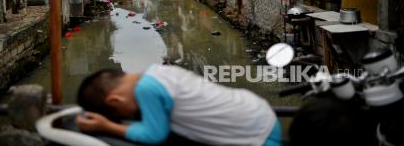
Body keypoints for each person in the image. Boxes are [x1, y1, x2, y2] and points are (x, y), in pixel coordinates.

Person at [76, 65, 281, 145]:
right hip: (257, 110)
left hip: (258, 135)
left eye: (121, 113)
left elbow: (153, 135)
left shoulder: (146, 89)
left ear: (115, 101)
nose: (132, 114)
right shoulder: (156, 71)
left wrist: (107, 126)